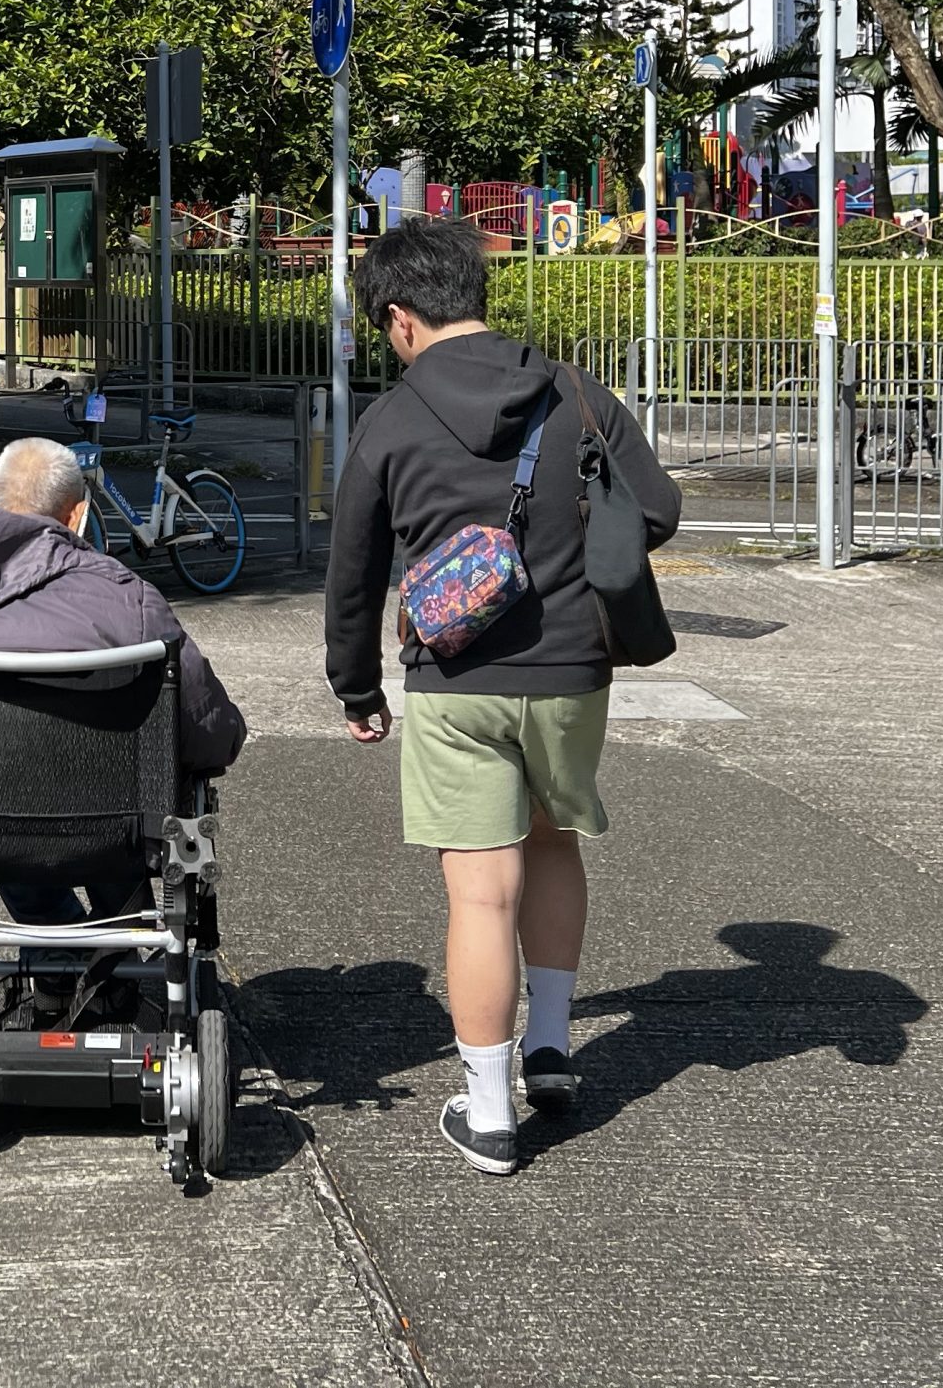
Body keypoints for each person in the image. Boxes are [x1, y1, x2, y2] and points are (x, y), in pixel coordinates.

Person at [325, 216, 681, 1176]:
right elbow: (657, 509)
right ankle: (552, 1048)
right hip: (571, 674)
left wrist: (355, 686)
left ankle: (488, 1113)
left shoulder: (389, 420)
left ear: (399, 319)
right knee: (554, 841)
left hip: (454, 681)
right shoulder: (573, 391)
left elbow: (353, 575)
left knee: (481, 893)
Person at [0, 437, 245, 926]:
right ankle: (109, 952)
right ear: (77, 516)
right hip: (116, 829)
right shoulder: (133, 605)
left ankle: (56, 944)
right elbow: (211, 735)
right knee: (132, 791)